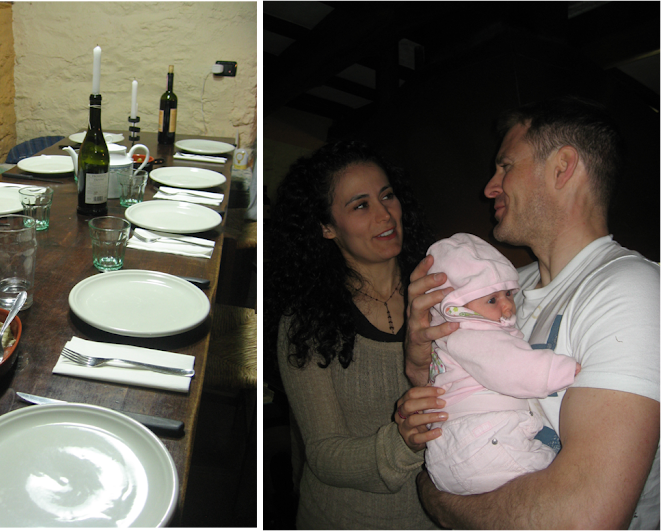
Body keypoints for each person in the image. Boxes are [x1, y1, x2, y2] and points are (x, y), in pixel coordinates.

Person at [397, 97, 661, 529]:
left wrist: (438, 496)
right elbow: (458, 392)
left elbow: (582, 520)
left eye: (506, 166)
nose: (490, 187)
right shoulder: (499, 291)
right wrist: (417, 368)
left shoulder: (630, 290)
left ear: (562, 167)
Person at [267, 140, 440, 530]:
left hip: (441, 514)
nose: (385, 215)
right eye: (361, 205)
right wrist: (403, 442)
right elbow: (324, 454)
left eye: (387, 196)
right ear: (327, 227)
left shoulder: (443, 291)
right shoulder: (306, 322)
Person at [418, 232, 579, 496]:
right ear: (456, 307)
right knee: (562, 485)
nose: (507, 306)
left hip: (462, 446)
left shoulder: (453, 335)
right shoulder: (470, 333)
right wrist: (563, 370)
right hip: (483, 439)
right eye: (492, 300)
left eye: (508, 294)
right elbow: (514, 368)